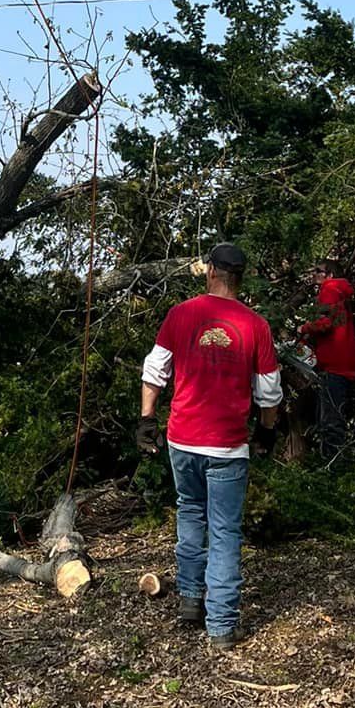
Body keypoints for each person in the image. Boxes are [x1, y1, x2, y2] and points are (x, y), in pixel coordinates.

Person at [137, 243, 282, 650]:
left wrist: (147, 419)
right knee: (224, 532)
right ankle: (220, 626)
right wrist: (266, 432)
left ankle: (189, 599)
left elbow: (155, 369)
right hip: (227, 446)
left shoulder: (182, 315)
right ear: (239, 277)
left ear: (212, 272)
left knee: (190, 514)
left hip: (183, 439)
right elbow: (269, 393)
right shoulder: (256, 325)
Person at [301, 274, 355, 462]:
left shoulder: (329, 289)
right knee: (332, 417)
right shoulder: (341, 293)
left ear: (329, 275)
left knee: (330, 421)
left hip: (334, 366)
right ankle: (333, 465)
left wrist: (304, 328)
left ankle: (333, 470)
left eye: (319, 270)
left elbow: (326, 323)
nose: (314, 273)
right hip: (342, 364)